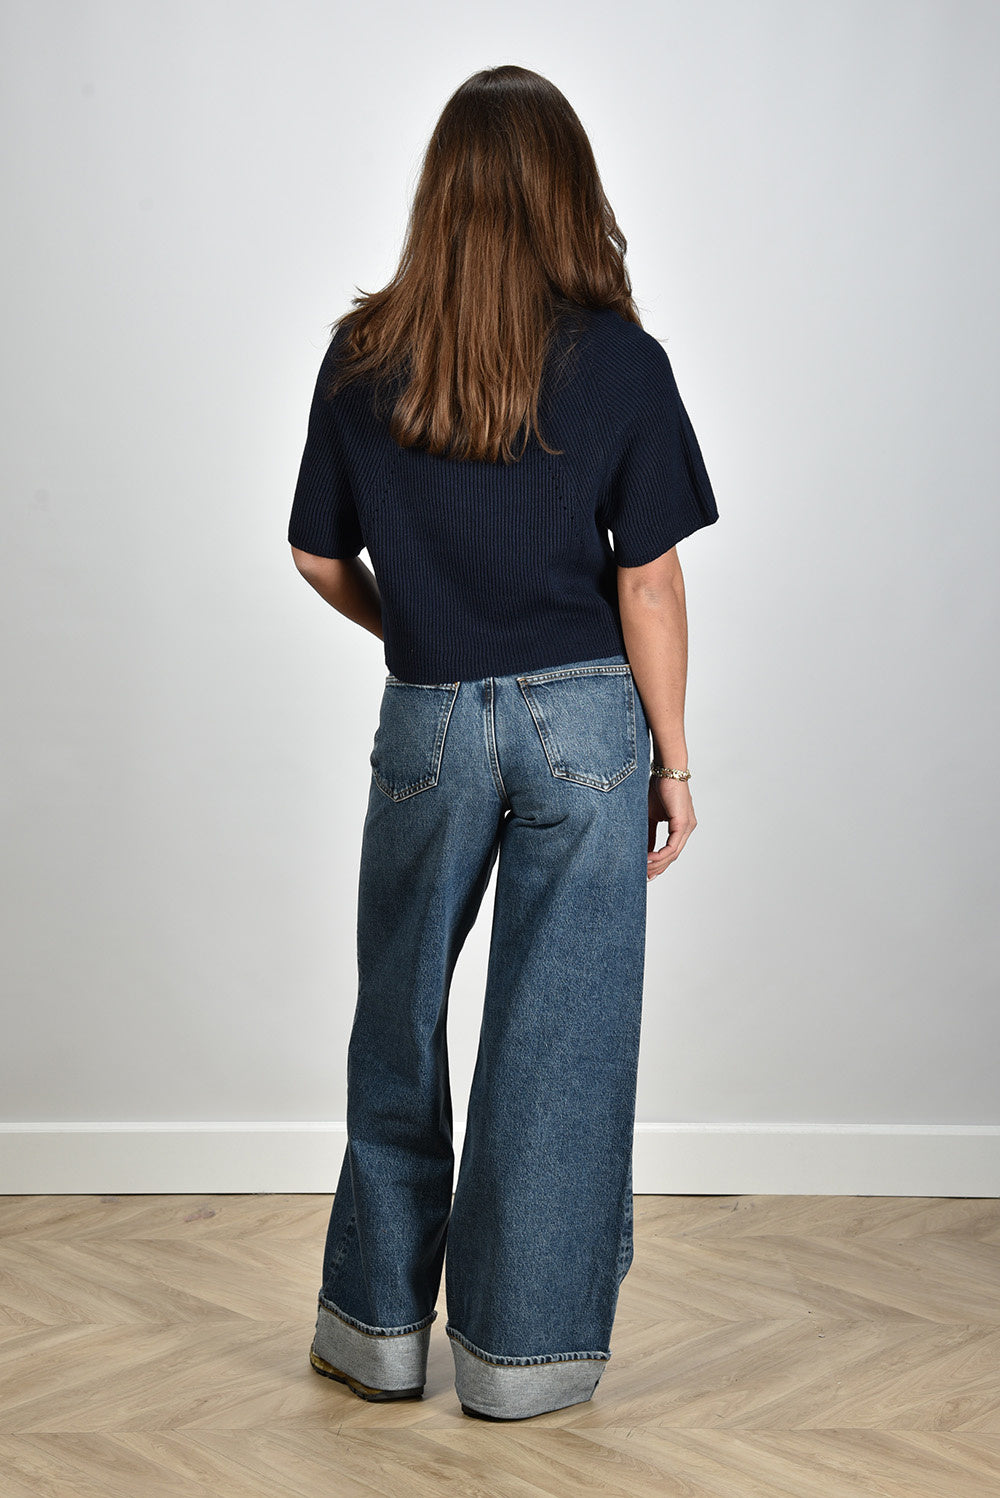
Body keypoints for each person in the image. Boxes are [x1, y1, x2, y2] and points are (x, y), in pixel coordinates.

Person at [287, 64, 720, 1422]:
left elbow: (315, 554)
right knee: (558, 1038)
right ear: (567, 191)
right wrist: (673, 759)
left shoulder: (364, 355)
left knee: (398, 1017)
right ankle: (522, 1361)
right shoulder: (621, 360)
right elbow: (648, 581)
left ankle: (376, 1335)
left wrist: (414, 628)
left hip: (427, 712)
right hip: (585, 723)